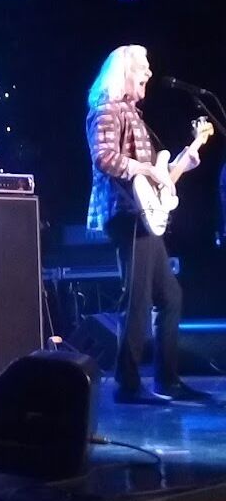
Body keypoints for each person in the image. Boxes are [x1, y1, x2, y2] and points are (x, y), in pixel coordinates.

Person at [86, 44, 211, 405]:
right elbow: (104, 158)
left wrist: (183, 162)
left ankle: (167, 380)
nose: (149, 74)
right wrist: (148, 169)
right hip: (126, 213)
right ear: (123, 72)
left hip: (142, 212)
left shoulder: (134, 115)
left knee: (170, 296)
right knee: (138, 299)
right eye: (143, 68)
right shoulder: (107, 110)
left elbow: (155, 179)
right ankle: (127, 384)